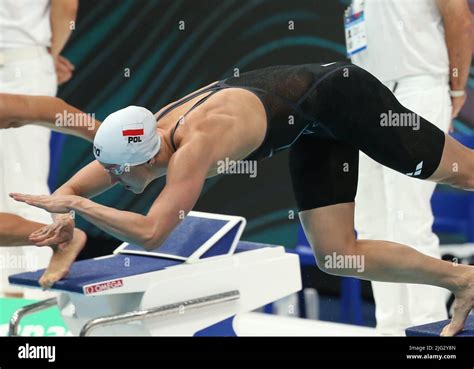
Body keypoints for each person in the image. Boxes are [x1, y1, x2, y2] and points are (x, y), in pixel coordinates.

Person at [9, 62, 474, 336]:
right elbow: (71, 190)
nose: (109, 178)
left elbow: (153, 232)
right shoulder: (141, 141)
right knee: (336, 255)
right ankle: (460, 279)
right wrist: (67, 223)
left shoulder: (196, 147)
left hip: (345, 96)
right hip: (311, 126)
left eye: (116, 173)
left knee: (464, 174)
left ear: (142, 159)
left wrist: (85, 210)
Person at [347, 0, 474, 335]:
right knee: (370, 222)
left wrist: (457, 86)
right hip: (366, 93)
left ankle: (426, 327)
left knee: (408, 217)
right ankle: (390, 325)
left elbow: (460, 19)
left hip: (417, 88)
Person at [0, 0, 78, 297]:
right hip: (27, 64)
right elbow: (67, 8)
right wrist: (46, 56)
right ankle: (33, 303)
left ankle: (34, 299)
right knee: (25, 190)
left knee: (23, 191)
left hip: (27, 67)